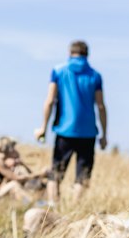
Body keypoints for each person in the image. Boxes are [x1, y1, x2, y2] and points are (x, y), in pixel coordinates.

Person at [36, 40, 107, 204]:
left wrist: (43, 128)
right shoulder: (95, 76)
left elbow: (49, 101)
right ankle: (74, 207)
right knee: (83, 174)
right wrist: (104, 134)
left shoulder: (58, 71)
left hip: (64, 129)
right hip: (88, 131)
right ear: (87, 54)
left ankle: (53, 205)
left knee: (56, 172)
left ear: (70, 53)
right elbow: (101, 106)